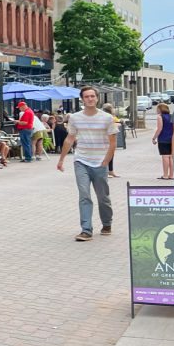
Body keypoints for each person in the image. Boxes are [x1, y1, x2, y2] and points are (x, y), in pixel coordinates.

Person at [56, 85, 118, 242]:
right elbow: (70, 138)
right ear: (82, 99)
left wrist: (106, 161)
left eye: (92, 96)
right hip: (81, 160)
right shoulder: (75, 118)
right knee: (84, 195)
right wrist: (62, 158)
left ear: (97, 98)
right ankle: (86, 230)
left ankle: (107, 223)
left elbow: (112, 143)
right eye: (87, 97)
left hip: (100, 162)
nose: (90, 99)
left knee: (103, 197)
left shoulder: (107, 118)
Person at [153, 103, 174, 180]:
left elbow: (159, 128)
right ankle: (171, 175)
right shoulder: (172, 116)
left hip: (163, 138)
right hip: (172, 139)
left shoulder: (160, 117)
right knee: (171, 157)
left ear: (160, 109)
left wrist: (154, 137)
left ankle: (165, 175)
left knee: (165, 157)